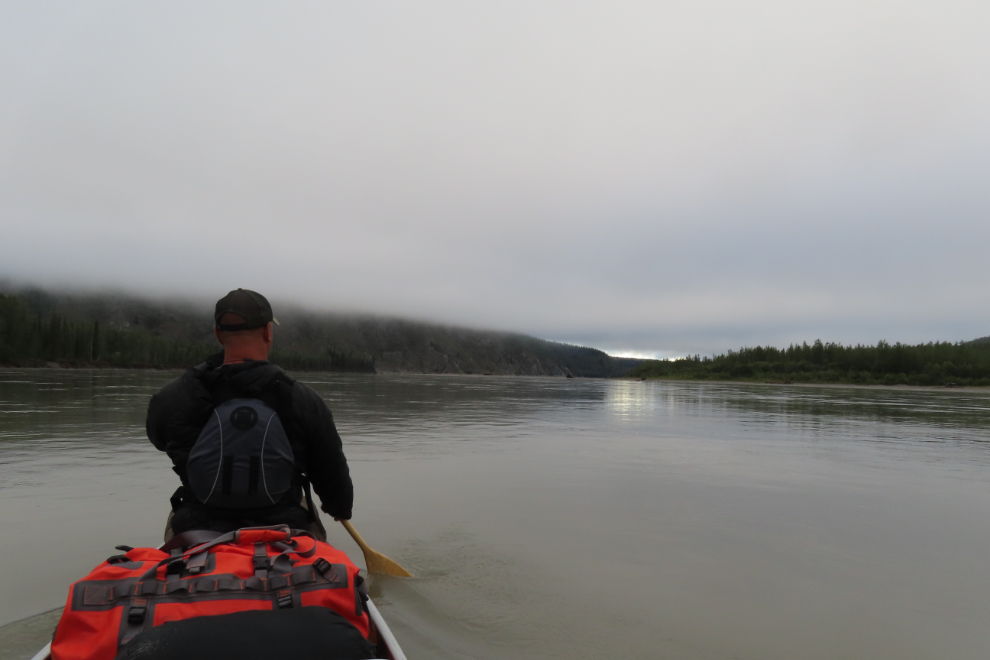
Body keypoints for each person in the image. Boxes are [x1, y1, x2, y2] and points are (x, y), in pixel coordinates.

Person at [146, 288, 353, 541]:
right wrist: (339, 508)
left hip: (196, 529)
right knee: (305, 509)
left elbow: (159, 440)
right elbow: (335, 485)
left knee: (176, 514)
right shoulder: (304, 400)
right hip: (286, 529)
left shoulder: (173, 397)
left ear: (218, 334)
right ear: (268, 331)